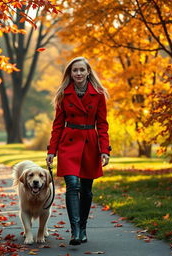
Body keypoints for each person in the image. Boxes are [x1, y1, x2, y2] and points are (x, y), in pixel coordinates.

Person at [46, 56, 111, 246]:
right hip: (69, 143)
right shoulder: (63, 94)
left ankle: (82, 228)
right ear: (70, 73)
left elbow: (102, 124)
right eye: (75, 70)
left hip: (90, 143)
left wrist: (104, 150)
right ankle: (75, 230)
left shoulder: (98, 94)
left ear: (88, 72)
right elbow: (57, 125)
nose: (79, 73)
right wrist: (52, 150)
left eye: (82, 70)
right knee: (72, 185)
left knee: (87, 190)